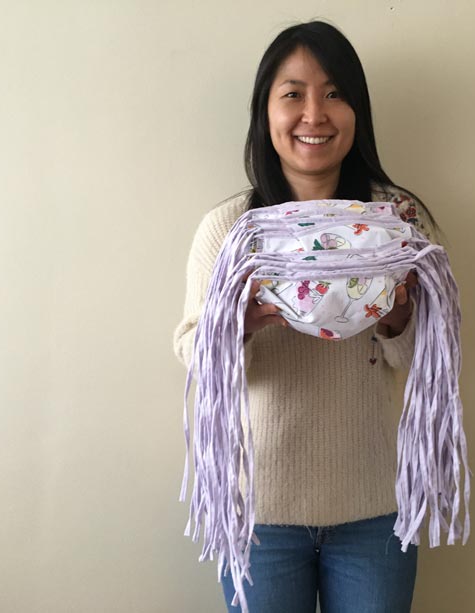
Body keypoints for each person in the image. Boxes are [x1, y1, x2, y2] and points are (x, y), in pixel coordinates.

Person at [173, 20, 443, 613]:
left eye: (334, 92)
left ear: (357, 111)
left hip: (374, 510)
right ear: (266, 112)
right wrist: (235, 327)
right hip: (258, 517)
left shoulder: (397, 223)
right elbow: (194, 357)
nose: (314, 114)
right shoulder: (229, 231)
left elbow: (433, 359)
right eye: (292, 93)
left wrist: (397, 319)